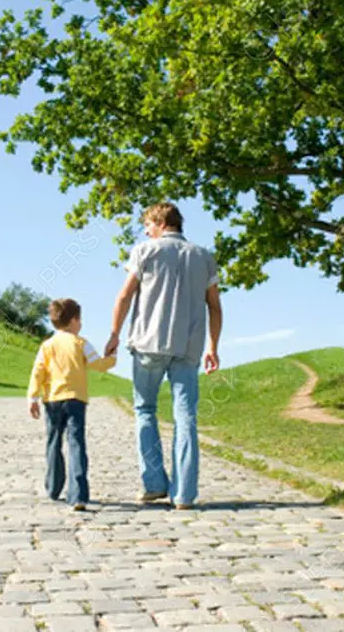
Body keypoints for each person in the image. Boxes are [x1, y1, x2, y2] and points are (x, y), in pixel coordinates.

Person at [105, 203, 223, 510]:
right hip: (189, 347)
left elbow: (125, 295)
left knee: (145, 409)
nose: (145, 230)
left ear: (159, 223)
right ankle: (184, 494)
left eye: (147, 224)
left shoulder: (144, 251)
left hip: (148, 345)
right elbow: (215, 306)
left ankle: (155, 484)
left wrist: (115, 334)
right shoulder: (204, 256)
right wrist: (213, 347)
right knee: (186, 418)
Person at [28, 298, 116, 511]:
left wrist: (33, 397)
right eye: (80, 320)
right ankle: (78, 495)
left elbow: (38, 371)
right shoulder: (81, 343)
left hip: (52, 401)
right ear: (74, 320)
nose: (81, 324)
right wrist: (112, 357)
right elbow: (98, 365)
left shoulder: (47, 345)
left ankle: (53, 487)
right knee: (76, 443)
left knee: (53, 443)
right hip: (76, 400)